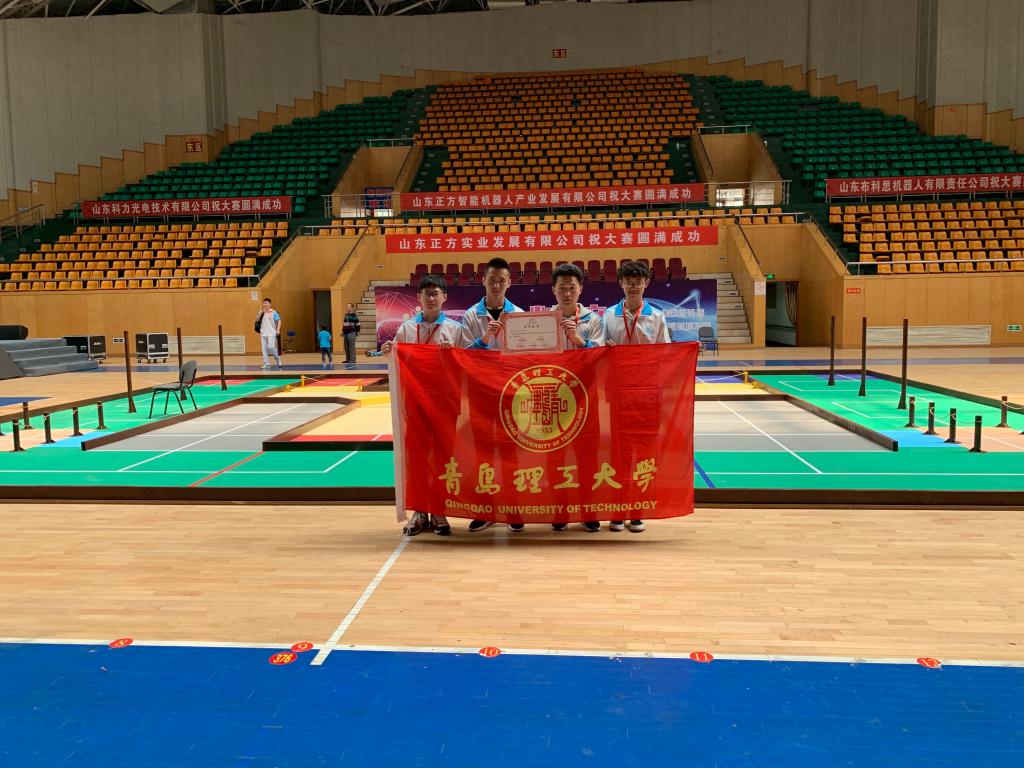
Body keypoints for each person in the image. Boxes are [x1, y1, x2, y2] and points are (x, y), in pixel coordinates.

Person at [382, 275, 461, 537]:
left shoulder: (455, 329)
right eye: (426, 293)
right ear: (419, 298)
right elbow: (399, 361)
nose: (431, 298)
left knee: (442, 457)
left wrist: (454, 354)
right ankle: (419, 511)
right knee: (417, 457)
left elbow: (466, 365)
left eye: (435, 293)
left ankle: (439, 510)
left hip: (445, 403)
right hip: (415, 402)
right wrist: (390, 350)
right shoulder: (406, 329)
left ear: (444, 297)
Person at [601, 260, 671, 534]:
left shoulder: (657, 317)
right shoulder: (609, 315)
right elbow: (597, 351)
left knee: (643, 453)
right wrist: (605, 350)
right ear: (621, 284)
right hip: (617, 393)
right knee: (619, 453)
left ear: (646, 284)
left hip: (646, 394)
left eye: (637, 282)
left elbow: (665, 354)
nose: (633, 286)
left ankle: (637, 511)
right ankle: (618, 511)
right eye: (628, 282)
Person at [460, 257, 525, 533]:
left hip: (512, 394)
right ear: (483, 280)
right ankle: (486, 509)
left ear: (509, 282)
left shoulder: (519, 315)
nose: (497, 285)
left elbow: (526, 357)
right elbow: (462, 355)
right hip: (481, 393)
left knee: (512, 453)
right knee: (483, 451)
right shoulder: (470, 316)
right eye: (492, 280)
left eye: (502, 280)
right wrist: (485, 339)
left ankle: (513, 508)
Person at [548, 262, 605, 533]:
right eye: (562, 288)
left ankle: (587, 510)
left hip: (586, 397)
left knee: (587, 457)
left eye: (572, 288)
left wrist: (577, 339)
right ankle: (559, 509)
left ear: (580, 289)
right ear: (554, 290)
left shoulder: (594, 321)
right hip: (552, 399)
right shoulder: (543, 321)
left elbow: (600, 355)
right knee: (554, 457)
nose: (567, 293)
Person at [256, 298, 282, 370]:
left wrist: (278, 330)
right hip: (263, 333)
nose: (265, 304)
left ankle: (277, 358)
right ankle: (266, 364)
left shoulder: (274, 312)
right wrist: (261, 313)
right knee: (264, 349)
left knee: (271, 347)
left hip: (272, 332)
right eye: (264, 303)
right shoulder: (261, 312)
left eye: (267, 303)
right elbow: (257, 320)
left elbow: (279, 321)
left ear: (270, 304)